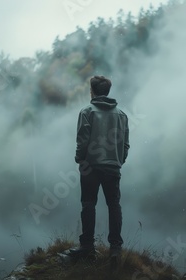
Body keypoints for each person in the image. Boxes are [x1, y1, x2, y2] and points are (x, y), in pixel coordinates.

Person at [68, 75, 130, 263]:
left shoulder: (87, 112)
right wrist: (119, 160)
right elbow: (125, 144)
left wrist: (80, 158)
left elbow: (83, 140)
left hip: (90, 167)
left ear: (92, 91)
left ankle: (87, 247)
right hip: (113, 166)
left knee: (88, 204)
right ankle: (115, 249)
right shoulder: (122, 115)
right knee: (114, 205)